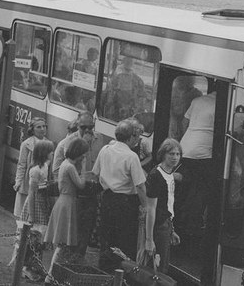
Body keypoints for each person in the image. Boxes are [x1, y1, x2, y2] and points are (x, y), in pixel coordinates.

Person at [92, 119, 148, 270]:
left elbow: (95, 173)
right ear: (131, 137)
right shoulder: (131, 156)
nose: (137, 140)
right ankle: (121, 275)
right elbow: (140, 186)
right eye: (136, 137)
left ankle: (104, 272)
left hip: (107, 198)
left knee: (107, 239)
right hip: (126, 203)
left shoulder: (105, 149)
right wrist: (146, 207)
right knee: (124, 241)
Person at [44, 137, 89, 284]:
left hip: (64, 202)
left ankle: (53, 275)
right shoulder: (70, 166)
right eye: (83, 154)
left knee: (63, 244)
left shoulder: (65, 163)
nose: (84, 156)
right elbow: (81, 184)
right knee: (63, 244)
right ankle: (50, 276)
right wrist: (84, 168)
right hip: (67, 203)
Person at [176, 90, 216, 245]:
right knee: (200, 194)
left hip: (185, 149)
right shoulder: (222, 103)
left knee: (183, 191)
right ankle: (192, 231)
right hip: (203, 154)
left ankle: (180, 225)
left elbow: (184, 123)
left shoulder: (198, 100)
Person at [10, 117, 49, 265]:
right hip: (27, 184)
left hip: (39, 187)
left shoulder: (47, 144)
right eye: (39, 127)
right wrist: (18, 182)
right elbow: (21, 164)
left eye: (44, 126)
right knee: (22, 221)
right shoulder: (27, 144)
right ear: (32, 129)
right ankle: (18, 255)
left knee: (36, 227)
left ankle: (30, 259)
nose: (42, 129)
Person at [145, 138, 183, 274]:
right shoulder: (156, 175)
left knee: (162, 265)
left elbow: (169, 205)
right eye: (171, 154)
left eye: (177, 154)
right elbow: (150, 208)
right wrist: (149, 240)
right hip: (157, 226)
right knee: (157, 268)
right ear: (163, 154)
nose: (175, 158)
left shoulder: (170, 175)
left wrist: (171, 230)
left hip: (166, 224)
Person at [19, 139, 54, 282]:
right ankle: (26, 267)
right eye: (51, 151)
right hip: (35, 205)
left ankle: (36, 265)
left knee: (41, 238)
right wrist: (31, 216)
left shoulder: (46, 165)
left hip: (43, 203)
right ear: (44, 153)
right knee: (33, 238)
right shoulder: (35, 170)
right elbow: (31, 193)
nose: (53, 153)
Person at [52, 111, 96, 178]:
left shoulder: (99, 138)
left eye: (90, 127)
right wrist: (84, 143)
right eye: (83, 127)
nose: (87, 130)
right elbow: (59, 171)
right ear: (78, 126)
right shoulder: (68, 142)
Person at [104, 56, 146, 121]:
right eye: (128, 61)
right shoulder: (116, 78)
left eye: (130, 61)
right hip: (117, 112)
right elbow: (109, 96)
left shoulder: (138, 81)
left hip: (130, 114)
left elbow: (141, 100)